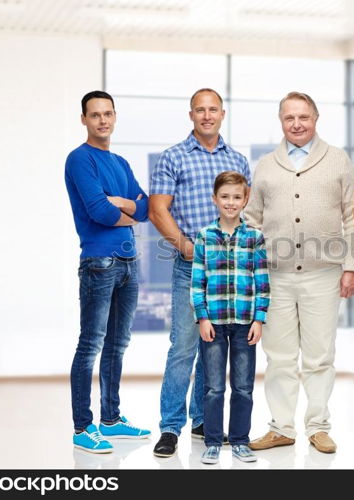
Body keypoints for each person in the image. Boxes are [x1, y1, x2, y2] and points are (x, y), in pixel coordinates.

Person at [245, 91, 354, 454]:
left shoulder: (338, 160)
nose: (296, 124)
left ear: (316, 118)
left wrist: (352, 267)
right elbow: (251, 219)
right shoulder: (266, 164)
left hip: (324, 274)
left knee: (319, 356)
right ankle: (281, 427)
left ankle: (318, 426)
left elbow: (352, 217)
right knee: (278, 355)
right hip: (274, 276)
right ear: (280, 121)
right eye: (289, 118)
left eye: (303, 117)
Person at [149, 88, 251, 457]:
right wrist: (186, 247)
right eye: (200, 110)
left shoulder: (238, 160)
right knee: (184, 347)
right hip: (190, 265)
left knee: (215, 345)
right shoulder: (173, 157)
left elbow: (244, 211)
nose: (207, 116)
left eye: (213, 110)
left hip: (229, 270)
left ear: (222, 113)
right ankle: (170, 427)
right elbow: (158, 210)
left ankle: (201, 420)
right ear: (191, 114)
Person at [65, 90, 151, 453]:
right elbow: (100, 212)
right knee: (91, 344)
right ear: (84, 119)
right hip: (99, 263)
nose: (103, 120)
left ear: (115, 117)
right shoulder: (79, 159)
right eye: (95, 114)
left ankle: (111, 419)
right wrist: (129, 212)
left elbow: (147, 209)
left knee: (118, 345)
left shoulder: (120, 162)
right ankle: (83, 427)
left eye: (108, 113)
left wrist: (128, 206)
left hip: (130, 264)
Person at [190, 171, 270, 464]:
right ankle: (213, 441)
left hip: (244, 322)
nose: (231, 202)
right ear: (215, 199)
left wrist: (259, 318)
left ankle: (239, 441)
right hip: (214, 320)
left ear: (245, 199)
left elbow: (262, 281)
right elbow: (197, 282)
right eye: (225, 197)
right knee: (213, 388)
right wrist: (203, 318)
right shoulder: (204, 236)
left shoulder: (254, 238)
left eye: (237, 197)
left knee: (244, 387)